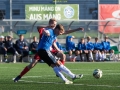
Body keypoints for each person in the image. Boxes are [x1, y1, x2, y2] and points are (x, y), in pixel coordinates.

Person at [14, 18, 84, 83]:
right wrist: (47, 28)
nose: (54, 25)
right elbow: (40, 28)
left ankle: (63, 75)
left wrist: (77, 29)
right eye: (53, 23)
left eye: (55, 24)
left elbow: (62, 35)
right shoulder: (48, 30)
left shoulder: (55, 33)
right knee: (32, 65)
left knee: (62, 56)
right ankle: (19, 76)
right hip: (43, 49)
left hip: (49, 49)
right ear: (50, 23)